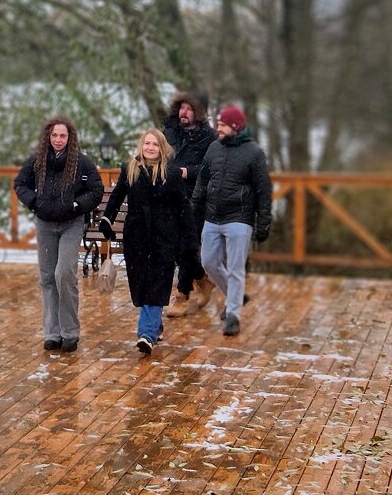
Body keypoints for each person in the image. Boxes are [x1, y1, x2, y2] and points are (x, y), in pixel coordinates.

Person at [99, 129, 196, 356]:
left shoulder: (171, 174)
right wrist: (106, 219)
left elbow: (184, 209)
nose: (150, 148)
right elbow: (116, 196)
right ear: (141, 146)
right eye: (147, 143)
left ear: (162, 149)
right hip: (137, 237)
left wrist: (189, 242)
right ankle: (155, 324)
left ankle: (146, 334)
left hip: (164, 238)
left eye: (155, 144)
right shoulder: (130, 170)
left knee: (157, 283)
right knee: (142, 283)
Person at [15, 115, 103, 353]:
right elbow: (20, 185)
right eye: (54, 135)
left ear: (70, 138)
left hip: (71, 224)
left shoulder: (81, 163)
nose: (58, 139)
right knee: (47, 278)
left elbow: (96, 190)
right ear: (48, 137)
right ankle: (52, 333)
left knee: (64, 273)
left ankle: (71, 332)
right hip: (44, 224)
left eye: (63, 135)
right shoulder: (36, 161)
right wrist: (34, 203)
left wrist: (76, 206)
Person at [191, 105, 272, 336]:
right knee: (208, 262)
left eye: (223, 125)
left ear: (235, 127)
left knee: (236, 268)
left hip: (240, 218)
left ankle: (233, 315)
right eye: (218, 125)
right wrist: (194, 207)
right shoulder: (213, 148)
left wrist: (263, 222)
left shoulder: (254, 153)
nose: (219, 129)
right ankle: (236, 296)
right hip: (212, 216)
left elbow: (263, 190)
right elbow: (203, 180)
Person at [162, 91, 217, 318]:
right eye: (182, 107)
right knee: (172, 245)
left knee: (187, 246)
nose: (184, 112)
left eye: (190, 109)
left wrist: (187, 172)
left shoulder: (210, 137)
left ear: (199, 112)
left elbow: (211, 167)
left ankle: (182, 295)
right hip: (169, 194)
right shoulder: (169, 131)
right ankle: (202, 279)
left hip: (196, 196)